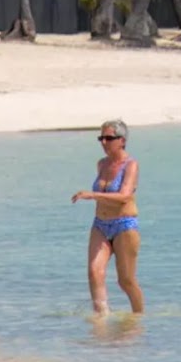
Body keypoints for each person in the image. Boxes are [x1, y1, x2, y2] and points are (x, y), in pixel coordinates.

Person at [70, 119, 144, 314]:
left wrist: (92, 195)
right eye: (101, 138)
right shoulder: (102, 164)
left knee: (125, 280)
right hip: (101, 224)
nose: (104, 142)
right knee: (94, 272)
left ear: (122, 140)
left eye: (109, 138)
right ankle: (101, 320)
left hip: (124, 225)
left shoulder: (131, 165)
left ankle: (140, 318)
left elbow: (124, 196)